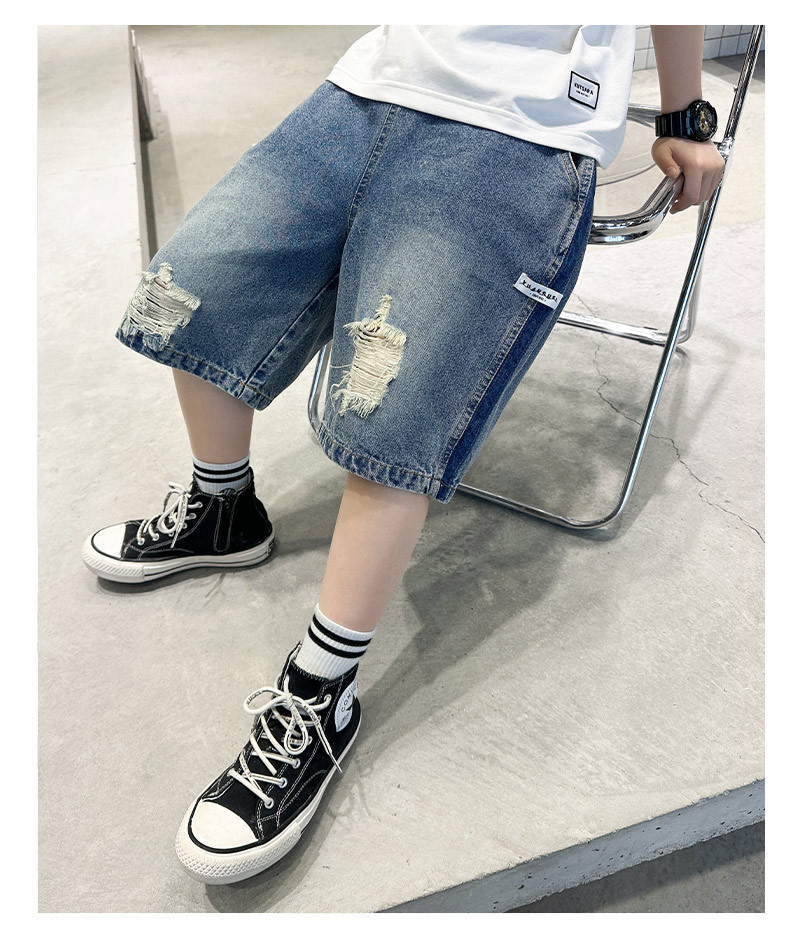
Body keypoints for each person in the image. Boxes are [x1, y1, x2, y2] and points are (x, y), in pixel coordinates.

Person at [82, 26, 725, 885]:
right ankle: (223, 508)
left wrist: (683, 114)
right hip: (373, 82)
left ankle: (322, 691)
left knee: (388, 408)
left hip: (524, 121)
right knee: (193, 286)